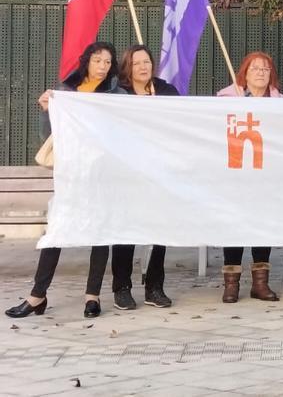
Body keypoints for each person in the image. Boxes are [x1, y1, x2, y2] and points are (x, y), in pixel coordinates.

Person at [6, 42, 124, 319]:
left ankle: (92, 296)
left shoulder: (116, 95)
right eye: (98, 61)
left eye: (108, 62)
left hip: (102, 174)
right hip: (71, 174)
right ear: (87, 62)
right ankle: (37, 295)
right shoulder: (66, 92)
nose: (103, 67)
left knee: (100, 233)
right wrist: (47, 109)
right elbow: (49, 134)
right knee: (57, 230)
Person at [108, 45, 178, 310]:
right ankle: (122, 287)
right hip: (126, 171)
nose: (143, 67)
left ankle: (154, 286)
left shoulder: (165, 91)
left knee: (160, 228)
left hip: (160, 171)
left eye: (147, 61)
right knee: (126, 228)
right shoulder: (117, 93)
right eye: (136, 63)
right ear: (128, 66)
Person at [217, 51, 283, 303]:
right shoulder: (224, 100)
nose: (260, 73)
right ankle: (231, 284)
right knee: (234, 226)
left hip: (265, 177)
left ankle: (260, 283)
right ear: (244, 73)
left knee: (261, 226)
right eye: (255, 68)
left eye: (265, 69)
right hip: (234, 175)